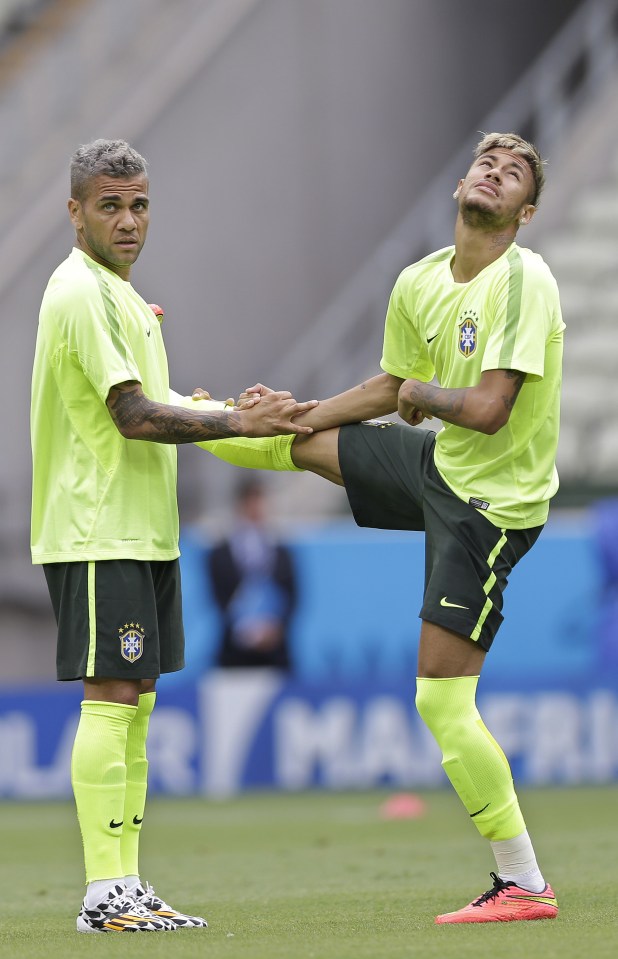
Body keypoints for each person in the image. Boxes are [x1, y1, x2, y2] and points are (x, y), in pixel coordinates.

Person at [196, 132, 564, 923]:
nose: (495, 175)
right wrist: (296, 411)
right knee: (297, 444)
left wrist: (427, 395)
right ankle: (185, 416)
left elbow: (492, 412)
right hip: (440, 467)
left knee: (440, 700)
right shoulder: (420, 280)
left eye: (513, 177)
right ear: (462, 183)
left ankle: (525, 883)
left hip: (491, 507)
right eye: (487, 165)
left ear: (525, 212)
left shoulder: (524, 280)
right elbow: (392, 385)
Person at [30, 138, 317, 934]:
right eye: (111, 205)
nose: (128, 221)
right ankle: (102, 892)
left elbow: (166, 403)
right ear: (75, 211)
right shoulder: (81, 292)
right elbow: (134, 416)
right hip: (97, 527)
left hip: (145, 531)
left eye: (140, 204)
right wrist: (234, 419)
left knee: (140, 702)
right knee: (112, 697)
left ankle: (126, 882)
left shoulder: (126, 298)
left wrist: (243, 416)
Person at [208, 477, 298, 670]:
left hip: (276, 653)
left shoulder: (282, 552)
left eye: (260, 500)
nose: (256, 507)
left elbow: (293, 596)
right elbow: (219, 597)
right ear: (240, 505)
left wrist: (273, 630)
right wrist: (246, 630)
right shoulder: (221, 553)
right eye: (251, 501)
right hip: (233, 654)